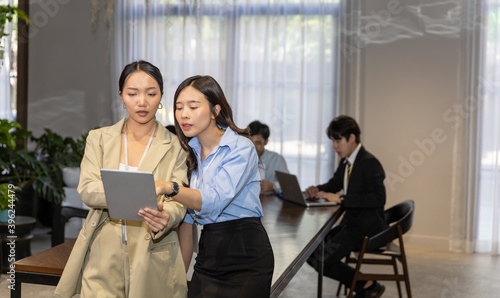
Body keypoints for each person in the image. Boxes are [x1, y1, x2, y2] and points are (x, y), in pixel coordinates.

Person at [55, 61, 188, 298]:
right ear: (121, 96)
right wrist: (140, 194)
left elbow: (178, 198)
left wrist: (168, 216)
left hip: (153, 249)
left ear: (161, 96)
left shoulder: (176, 146)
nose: (142, 102)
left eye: (151, 93)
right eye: (132, 93)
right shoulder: (99, 139)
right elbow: (87, 189)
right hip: (104, 247)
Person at [155, 75, 274, 298]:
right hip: (209, 251)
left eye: (193, 106)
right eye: (179, 107)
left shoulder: (241, 148)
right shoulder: (188, 153)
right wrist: (178, 282)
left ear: (215, 110)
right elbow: (187, 225)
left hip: (246, 254)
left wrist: (169, 187)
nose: (184, 114)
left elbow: (212, 201)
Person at [305, 115, 387, 298]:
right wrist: (317, 189)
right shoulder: (347, 161)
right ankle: (365, 285)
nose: (335, 146)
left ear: (352, 138)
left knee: (321, 259)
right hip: (353, 224)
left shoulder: (369, 162)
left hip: (366, 228)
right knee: (311, 252)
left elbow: (378, 198)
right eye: (333, 141)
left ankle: (368, 285)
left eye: (338, 140)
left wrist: (342, 200)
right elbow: (334, 184)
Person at [248, 120, 289, 193]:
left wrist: (274, 186)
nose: (253, 147)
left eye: (258, 143)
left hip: (269, 201)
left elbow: (288, 184)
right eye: (250, 142)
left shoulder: (276, 159)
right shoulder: (241, 158)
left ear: (266, 141)